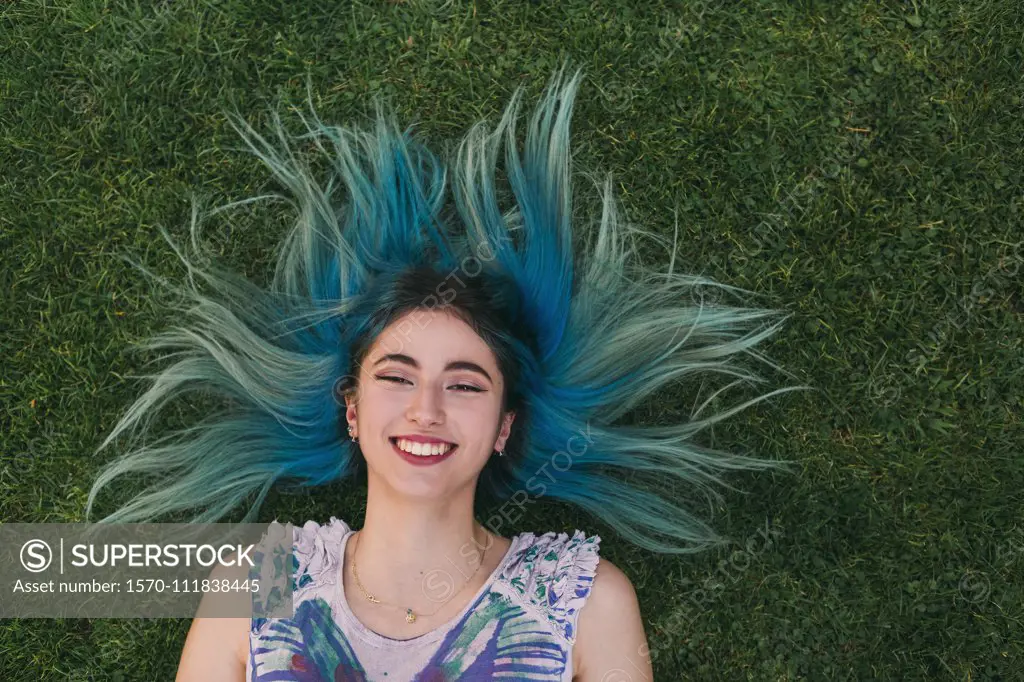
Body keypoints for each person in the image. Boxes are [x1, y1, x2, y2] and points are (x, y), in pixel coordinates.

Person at [87, 63, 807, 681]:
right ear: (351, 409)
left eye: (465, 384)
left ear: (504, 427)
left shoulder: (579, 599)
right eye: (396, 377)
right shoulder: (260, 579)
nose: (426, 408)